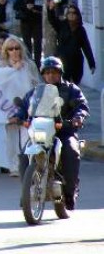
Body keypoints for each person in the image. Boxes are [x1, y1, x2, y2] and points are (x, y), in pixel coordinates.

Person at [10, 56, 89, 210]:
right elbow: (24, 106)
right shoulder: (36, 92)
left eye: (54, 72)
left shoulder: (71, 89)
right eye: (47, 73)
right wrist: (19, 116)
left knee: (71, 151)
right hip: (41, 131)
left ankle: (69, 192)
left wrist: (78, 118)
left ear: (60, 73)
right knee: (23, 154)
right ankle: (26, 191)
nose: (50, 75)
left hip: (63, 131)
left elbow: (81, 105)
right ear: (43, 74)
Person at [0, 35, 41, 176]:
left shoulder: (30, 66)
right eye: (11, 49)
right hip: (8, 107)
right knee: (11, 138)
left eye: (17, 48)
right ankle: (14, 166)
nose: (14, 51)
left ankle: (26, 165)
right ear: (6, 51)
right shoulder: (2, 68)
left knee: (26, 136)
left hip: (27, 107)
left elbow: (37, 84)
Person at [48, 2, 96, 85]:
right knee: (61, 85)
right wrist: (51, 9)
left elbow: (86, 47)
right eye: (69, 12)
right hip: (62, 59)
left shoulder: (81, 30)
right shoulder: (62, 25)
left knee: (74, 85)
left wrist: (91, 64)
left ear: (77, 15)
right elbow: (52, 20)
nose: (71, 14)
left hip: (76, 61)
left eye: (74, 13)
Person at [14, 0, 43, 68]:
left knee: (37, 44)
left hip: (37, 21)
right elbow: (16, 6)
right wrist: (26, 6)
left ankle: (37, 65)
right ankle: (29, 64)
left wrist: (35, 7)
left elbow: (43, 5)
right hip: (25, 21)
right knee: (27, 44)